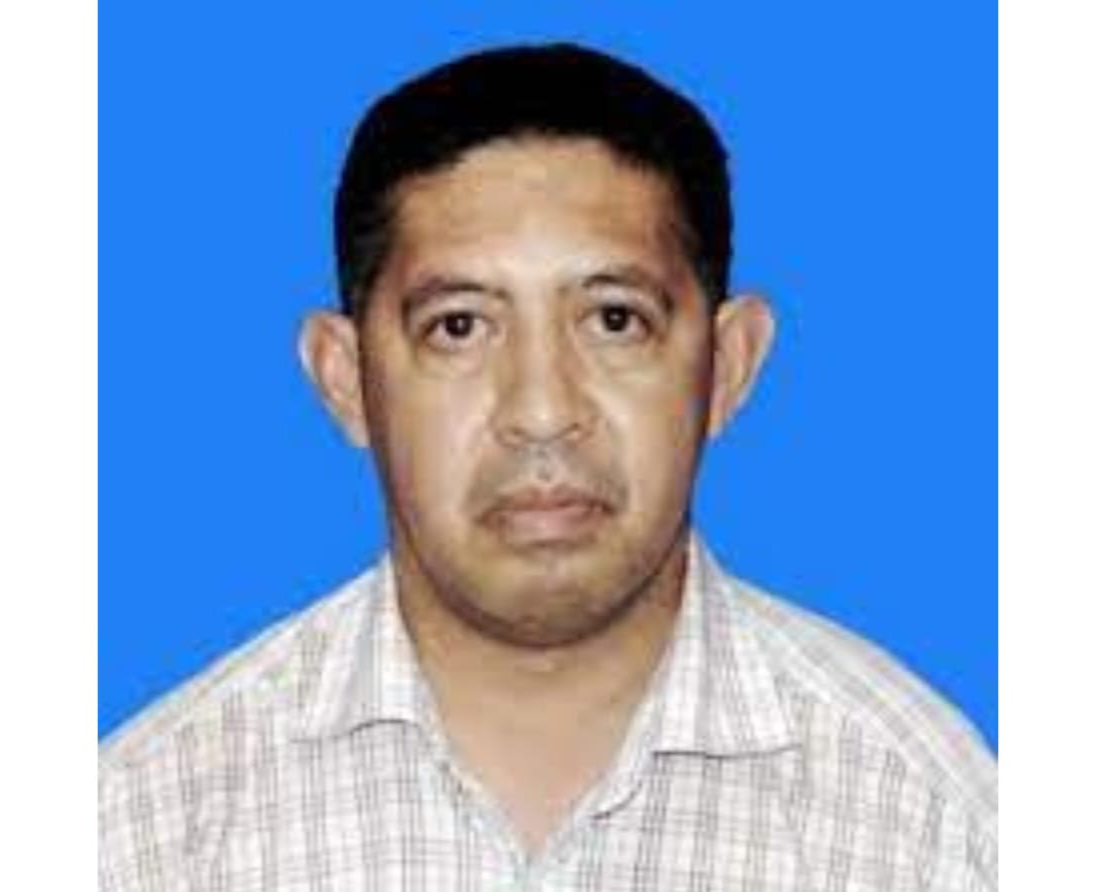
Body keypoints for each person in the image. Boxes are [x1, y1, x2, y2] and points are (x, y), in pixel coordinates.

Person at [100, 43, 996, 891]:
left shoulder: (933, 826)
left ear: (727, 366)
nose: (540, 412)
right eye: (458, 327)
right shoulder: (145, 834)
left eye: (615, 320)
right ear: (346, 379)